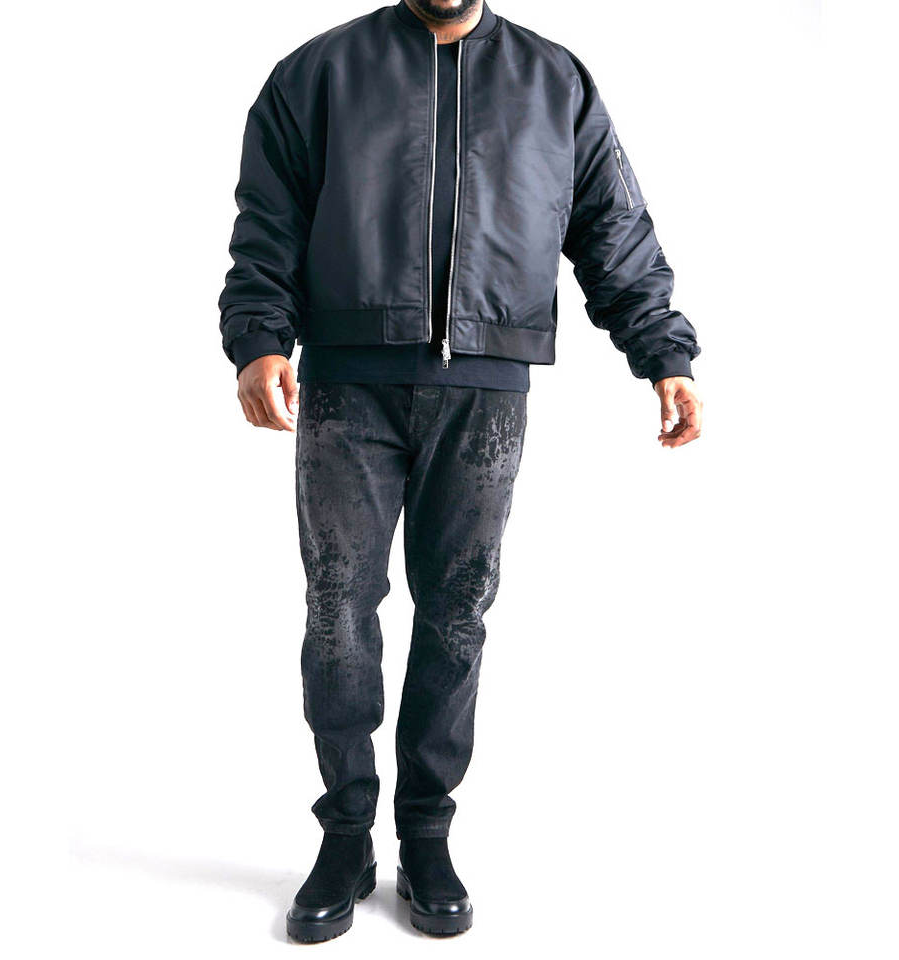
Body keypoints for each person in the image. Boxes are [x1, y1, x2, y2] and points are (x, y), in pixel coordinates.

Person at [218, 0, 702, 941]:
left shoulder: (554, 80)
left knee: (456, 615)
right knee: (337, 610)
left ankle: (426, 834)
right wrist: (258, 339)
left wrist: (663, 353)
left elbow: (612, 226)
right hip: (348, 386)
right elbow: (267, 220)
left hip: (486, 387)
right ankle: (346, 834)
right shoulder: (319, 73)